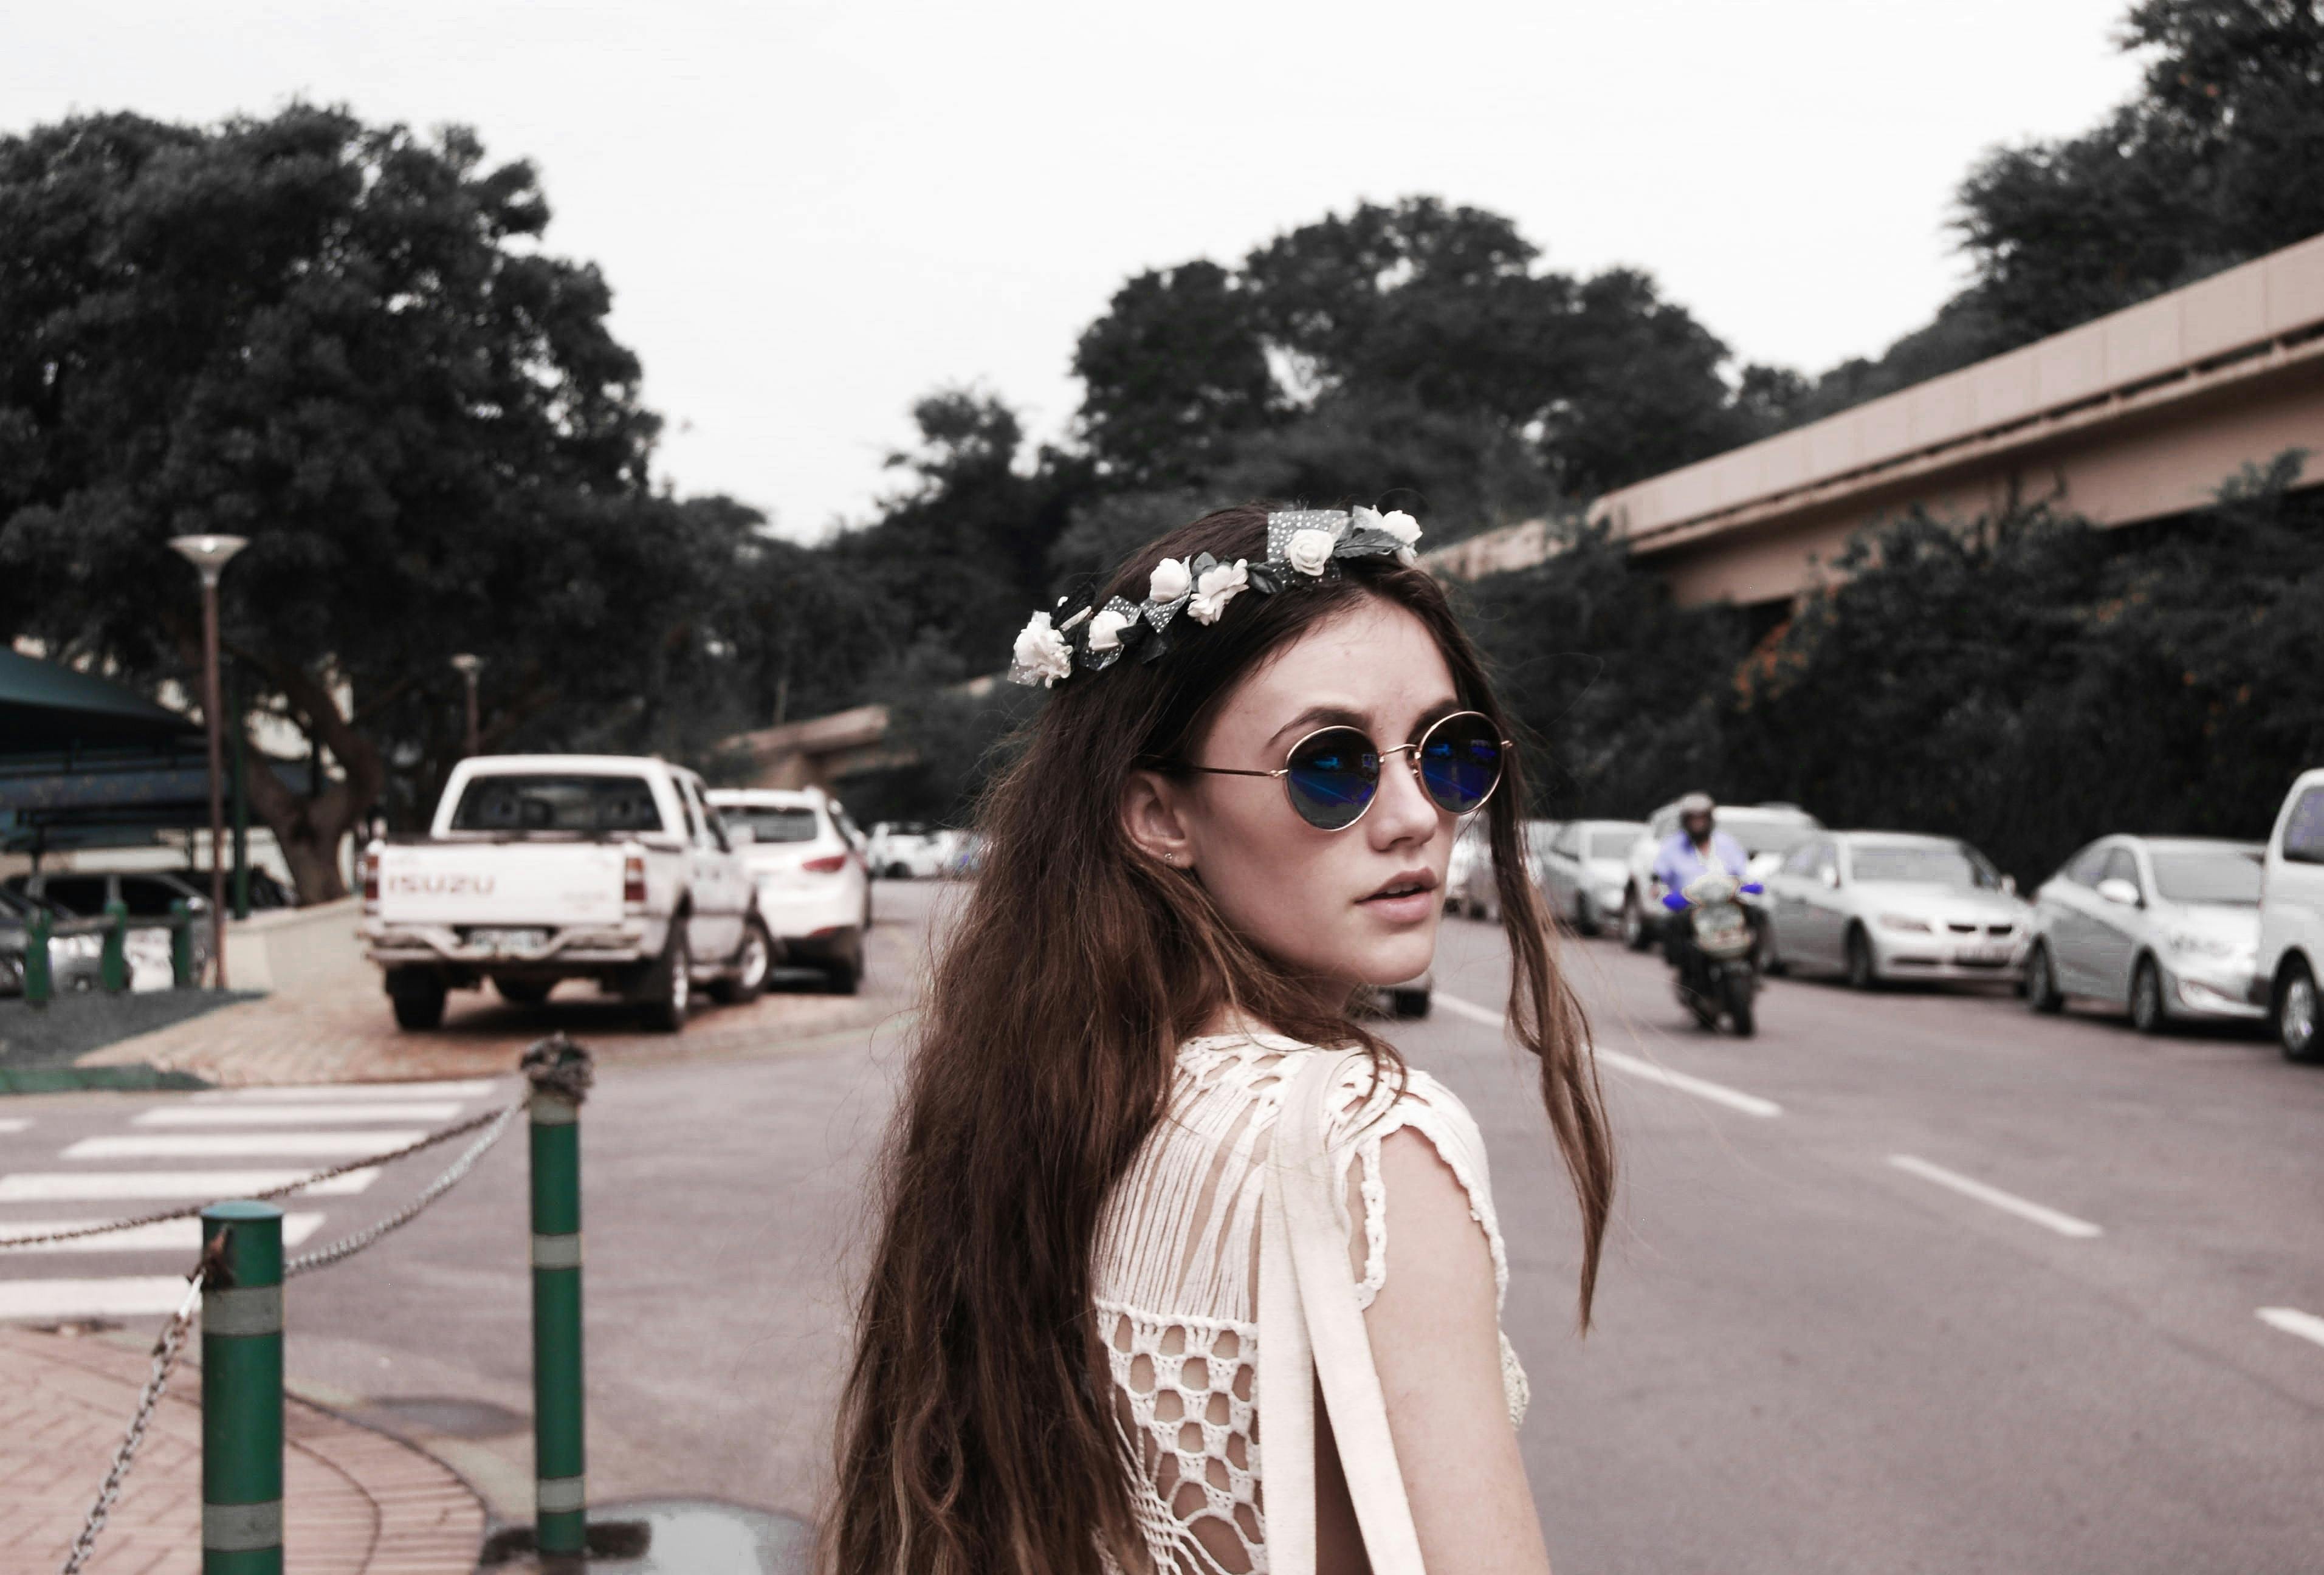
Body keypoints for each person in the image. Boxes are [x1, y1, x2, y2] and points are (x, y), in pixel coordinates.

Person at [832, 503, 1615, 1575]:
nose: (1414, 817)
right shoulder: (1369, 1144)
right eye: (1330, 767)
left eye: (1450, 753)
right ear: (1159, 815)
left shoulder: (1039, 1094)